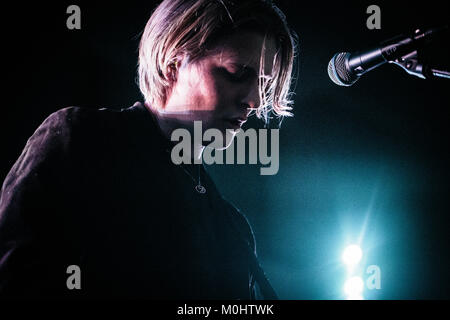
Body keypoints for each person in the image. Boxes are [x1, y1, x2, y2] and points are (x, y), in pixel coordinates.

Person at [0, 0, 296, 299]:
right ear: (172, 64)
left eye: (263, 83)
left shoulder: (231, 225)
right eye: (236, 73)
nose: (255, 100)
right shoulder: (82, 140)